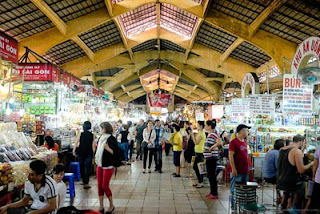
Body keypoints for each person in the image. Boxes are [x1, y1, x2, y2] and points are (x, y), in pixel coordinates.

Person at [277, 135, 314, 210]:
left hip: (280, 180)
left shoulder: (282, 149)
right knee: (305, 186)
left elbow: (292, 160)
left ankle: (285, 203)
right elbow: (301, 170)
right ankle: (293, 207)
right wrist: (311, 163)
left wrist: (302, 149)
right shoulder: (297, 151)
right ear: (301, 142)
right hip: (291, 183)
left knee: (292, 185)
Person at [95, 122, 120, 214]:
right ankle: (101, 206)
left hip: (108, 165)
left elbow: (116, 153)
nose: (100, 129)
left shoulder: (111, 139)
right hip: (99, 164)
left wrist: (107, 148)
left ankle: (111, 205)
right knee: (99, 186)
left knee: (105, 186)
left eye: (101, 128)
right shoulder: (100, 138)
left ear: (105, 129)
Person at [229, 124, 251, 210]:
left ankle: (242, 207)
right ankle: (233, 208)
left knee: (244, 190)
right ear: (241, 131)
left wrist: (248, 168)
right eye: (246, 130)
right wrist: (233, 169)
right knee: (234, 190)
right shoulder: (233, 142)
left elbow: (245, 156)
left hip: (245, 170)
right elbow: (230, 156)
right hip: (237, 171)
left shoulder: (244, 142)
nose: (247, 132)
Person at [73, 121, 95, 189]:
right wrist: (93, 153)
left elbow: (76, 142)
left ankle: (83, 180)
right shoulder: (92, 134)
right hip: (89, 152)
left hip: (81, 152)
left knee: (81, 166)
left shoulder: (80, 133)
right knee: (88, 168)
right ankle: (86, 182)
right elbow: (93, 145)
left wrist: (74, 150)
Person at [203, 120, 222, 199]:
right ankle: (212, 192)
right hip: (209, 158)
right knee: (210, 175)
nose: (205, 127)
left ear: (210, 126)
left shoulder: (213, 134)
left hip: (211, 158)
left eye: (206, 125)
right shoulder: (211, 134)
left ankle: (214, 193)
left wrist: (211, 148)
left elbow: (219, 143)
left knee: (212, 175)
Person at [262, 139, 284, 203]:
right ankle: (282, 198)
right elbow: (278, 167)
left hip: (265, 175)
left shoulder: (270, 151)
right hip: (271, 176)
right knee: (286, 179)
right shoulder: (277, 153)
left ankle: (279, 196)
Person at [191, 121, 205, 188]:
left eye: (198, 125)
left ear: (201, 126)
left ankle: (201, 182)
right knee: (196, 166)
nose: (197, 126)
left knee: (198, 167)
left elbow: (196, 142)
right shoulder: (200, 133)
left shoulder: (202, 134)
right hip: (197, 152)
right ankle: (199, 181)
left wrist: (193, 136)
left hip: (200, 152)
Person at [309, 145, 320, 212]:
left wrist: (313, 175)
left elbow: (315, 164)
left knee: (315, 202)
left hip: (318, 179)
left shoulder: (318, 148)